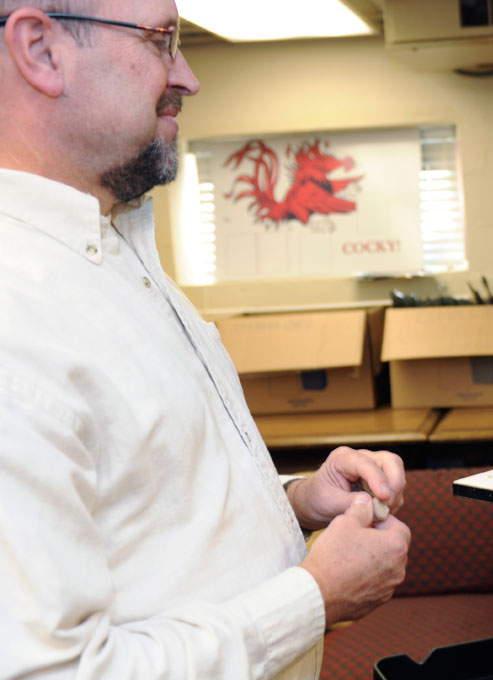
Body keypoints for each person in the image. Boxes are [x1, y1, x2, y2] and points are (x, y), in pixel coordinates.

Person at [0, 1, 410, 677]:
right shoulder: (16, 321)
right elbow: (57, 670)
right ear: (41, 50)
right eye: (162, 40)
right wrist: (315, 596)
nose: (188, 76)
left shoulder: (116, 249)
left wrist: (294, 503)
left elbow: (143, 515)